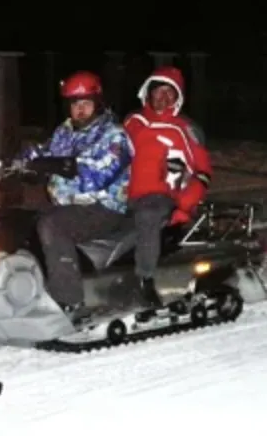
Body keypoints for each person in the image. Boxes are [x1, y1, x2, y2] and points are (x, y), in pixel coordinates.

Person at [15, 70, 132, 318]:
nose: (80, 109)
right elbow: (43, 152)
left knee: (52, 226)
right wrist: (21, 160)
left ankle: (69, 301)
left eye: (86, 103)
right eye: (75, 103)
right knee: (19, 221)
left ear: (98, 103)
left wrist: (58, 165)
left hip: (103, 208)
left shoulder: (114, 135)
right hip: (68, 205)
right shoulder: (64, 131)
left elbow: (100, 174)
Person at [119, 65, 212, 308]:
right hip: (125, 194)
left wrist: (184, 205)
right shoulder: (132, 122)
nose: (163, 98)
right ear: (147, 93)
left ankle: (145, 281)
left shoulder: (185, 129)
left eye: (170, 93)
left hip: (162, 197)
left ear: (178, 97)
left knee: (148, 215)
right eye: (158, 91)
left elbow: (202, 172)